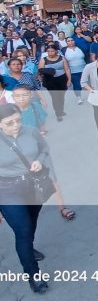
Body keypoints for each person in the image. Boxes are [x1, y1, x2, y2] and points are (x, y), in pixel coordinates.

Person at [0, 104, 50, 293]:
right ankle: (33, 275)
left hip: (32, 185)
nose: (16, 125)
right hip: (6, 190)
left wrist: (40, 160)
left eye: (18, 120)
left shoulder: (30, 131)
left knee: (31, 222)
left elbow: (44, 149)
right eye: (9, 123)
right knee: (23, 230)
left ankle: (29, 247)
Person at [37, 44, 70, 122]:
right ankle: (58, 113)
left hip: (62, 79)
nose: (50, 53)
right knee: (55, 97)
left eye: (52, 51)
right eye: (48, 51)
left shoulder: (62, 58)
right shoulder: (43, 60)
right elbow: (40, 71)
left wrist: (69, 80)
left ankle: (61, 110)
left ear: (56, 51)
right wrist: (41, 80)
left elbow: (67, 69)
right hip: (50, 81)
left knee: (61, 97)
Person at [63, 37, 86, 104]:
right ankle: (78, 97)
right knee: (76, 84)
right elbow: (64, 62)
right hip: (73, 71)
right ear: (66, 42)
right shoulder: (64, 50)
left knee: (85, 83)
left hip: (84, 69)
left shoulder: (80, 48)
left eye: (72, 40)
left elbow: (86, 56)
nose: (70, 42)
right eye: (68, 41)